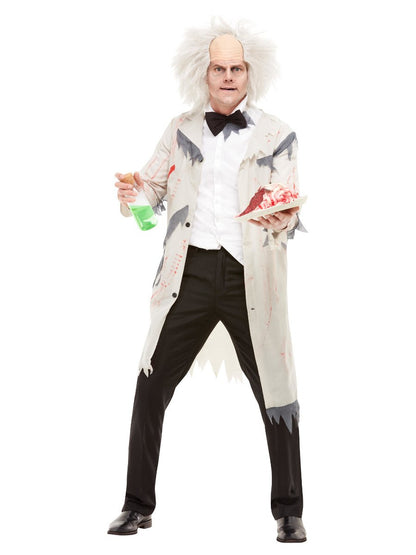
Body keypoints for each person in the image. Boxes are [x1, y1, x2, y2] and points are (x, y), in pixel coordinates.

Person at [108, 18, 308, 543]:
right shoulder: (179, 130)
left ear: (250, 73)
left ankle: (289, 511)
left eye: (236, 68)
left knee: (276, 389)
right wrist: (133, 194)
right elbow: (151, 192)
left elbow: (286, 204)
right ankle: (136, 505)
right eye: (218, 68)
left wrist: (282, 217)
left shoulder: (278, 134)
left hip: (251, 278)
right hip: (189, 272)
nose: (227, 77)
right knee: (151, 385)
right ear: (204, 74)